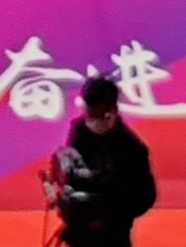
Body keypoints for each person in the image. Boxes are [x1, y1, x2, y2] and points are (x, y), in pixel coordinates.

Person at [46, 75, 157, 247]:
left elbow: (146, 197)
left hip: (113, 235)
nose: (93, 119)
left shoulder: (132, 148)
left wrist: (110, 213)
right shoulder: (79, 130)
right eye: (90, 112)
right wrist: (60, 190)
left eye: (100, 113)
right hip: (78, 233)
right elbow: (71, 172)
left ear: (113, 111)